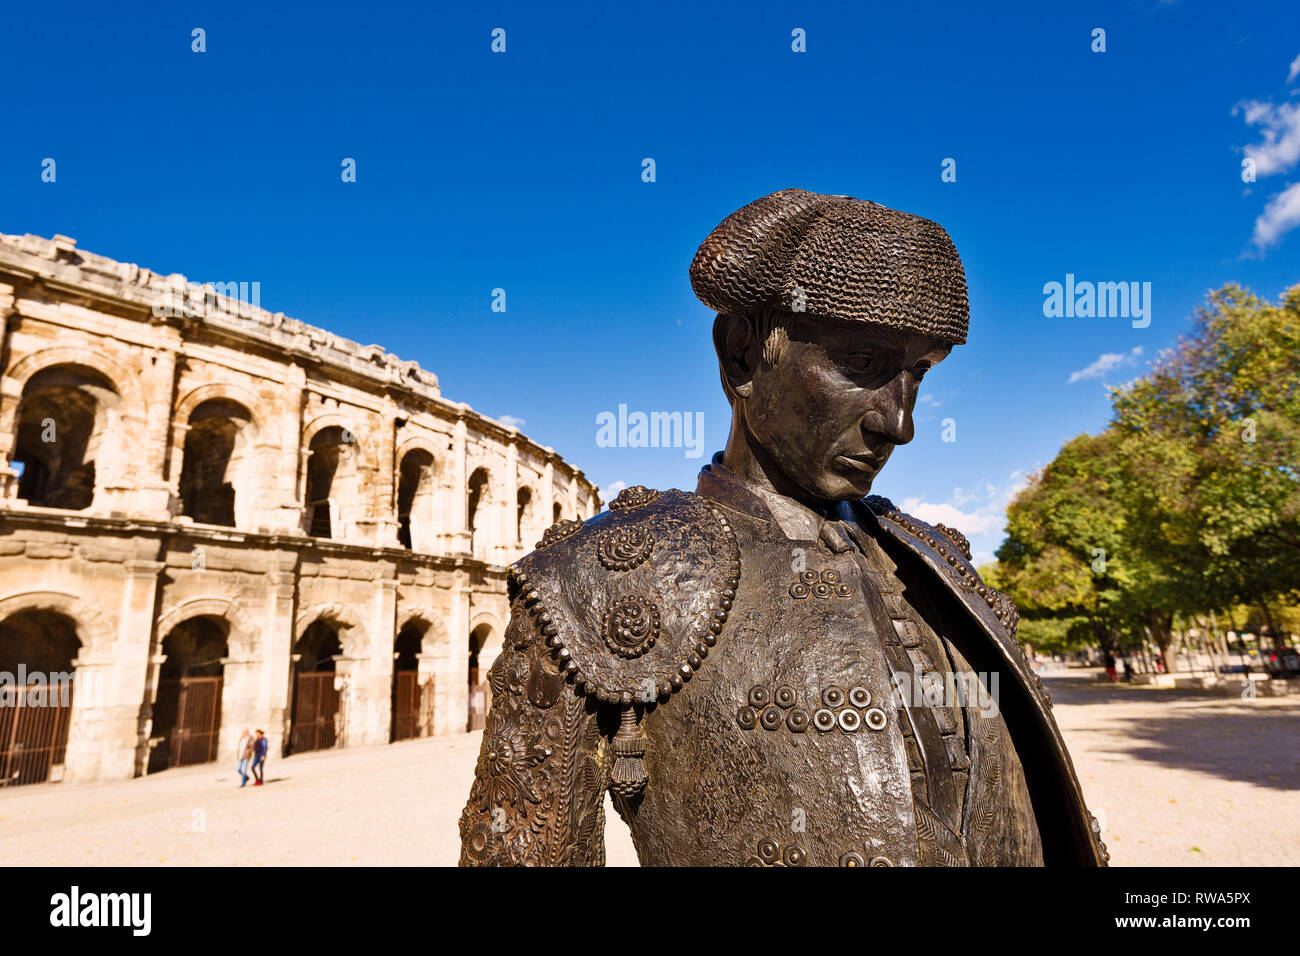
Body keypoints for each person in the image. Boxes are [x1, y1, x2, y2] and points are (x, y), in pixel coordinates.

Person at [459, 188, 1106, 867]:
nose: (900, 423)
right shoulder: (596, 581)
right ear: (742, 355)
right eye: (862, 364)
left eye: (917, 374)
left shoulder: (938, 562)